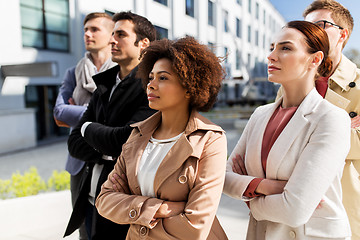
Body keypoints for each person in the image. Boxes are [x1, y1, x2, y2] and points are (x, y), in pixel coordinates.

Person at [224, 21, 352, 239]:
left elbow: (294, 210)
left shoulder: (331, 118)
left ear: (315, 59)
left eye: (285, 48)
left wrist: (250, 196)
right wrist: (265, 186)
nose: (271, 56)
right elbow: (224, 177)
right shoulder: (260, 115)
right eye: (272, 47)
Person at [95, 36, 228, 240]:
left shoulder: (210, 139)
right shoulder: (137, 134)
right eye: (150, 77)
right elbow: (104, 201)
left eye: (163, 78)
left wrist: (131, 208)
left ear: (189, 86)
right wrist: (159, 209)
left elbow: (195, 227)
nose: (151, 85)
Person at [64, 11, 157, 239]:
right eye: (112, 34)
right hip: (89, 197)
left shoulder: (151, 87)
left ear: (143, 43)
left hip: (122, 205)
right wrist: (105, 149)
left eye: (121, 34)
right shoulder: (105, 82)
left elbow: (123, 142)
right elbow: (73, 143)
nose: (112, 40)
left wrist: (87, 129)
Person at [276, 1, 360, 238]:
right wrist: (341, 131)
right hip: (289, 201)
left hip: (344, 204)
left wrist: (302, 135)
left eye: (320, 25)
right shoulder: (290, 82)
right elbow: (273, 138)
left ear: (343, 34)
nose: (309, 34)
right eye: (305, 28)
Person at [53, 12, 115, 240]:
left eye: (95, 29)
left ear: (111, 36)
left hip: (111, 161)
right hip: (79, 161)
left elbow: (120, 118)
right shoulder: (73, 72)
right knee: (83, 228)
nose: (87, 34)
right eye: (85, 29)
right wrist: (102, 112)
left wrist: (78, 111)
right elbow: (59, 113)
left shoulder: (120, 73)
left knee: (111, 226)